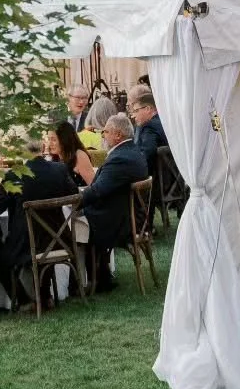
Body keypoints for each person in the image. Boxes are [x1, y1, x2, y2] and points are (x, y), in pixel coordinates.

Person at [0, 137, 78, 309]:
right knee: (45, 236)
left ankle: (24, 300)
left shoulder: (14, 176)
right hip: (59, 240)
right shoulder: (59, 170)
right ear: (43, 147)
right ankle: (44, 295)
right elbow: (74, 195)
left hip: (25, 245)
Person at [79, 111, 147, 293]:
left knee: (77, 223)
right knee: (83, 219)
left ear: (118, 135)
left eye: (106, 132)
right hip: (130, 214)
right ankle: (102, 277)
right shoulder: (131, 151)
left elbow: (99, 189)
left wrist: (76, 201)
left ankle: (95, 281)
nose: (104, 135)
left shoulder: (120, 158)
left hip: (122, 220)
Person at [129, 90, 170, 182]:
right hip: (173, 179)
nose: (133, 116)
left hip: (156, 181)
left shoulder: (149, 126)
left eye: (136, 111)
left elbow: (147, 154)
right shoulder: (166, 122)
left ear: (148, 109)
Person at [49, 120, 95, 188]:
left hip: (79, 197)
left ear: (64, 139)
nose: (50, 143)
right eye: (48, 139)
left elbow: (94, 186)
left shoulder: (79, 156)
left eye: (53, 140)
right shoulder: (55, 157)